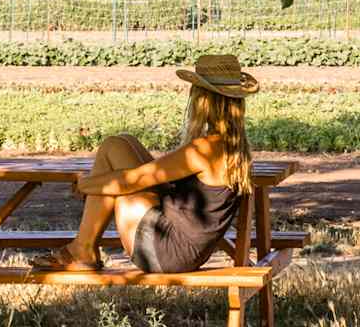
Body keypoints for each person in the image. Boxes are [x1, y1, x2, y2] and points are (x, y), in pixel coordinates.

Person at [34, 53, 257, 274]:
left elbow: (131, 182)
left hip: (166, 252)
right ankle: (83, 246)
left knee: (121, 180)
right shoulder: (234, 146)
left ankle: (83, 248)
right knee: (119, 144)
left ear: (204, 101)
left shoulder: (206, 149)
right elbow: (161, 180)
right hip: (186, 249)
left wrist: (84, 184)